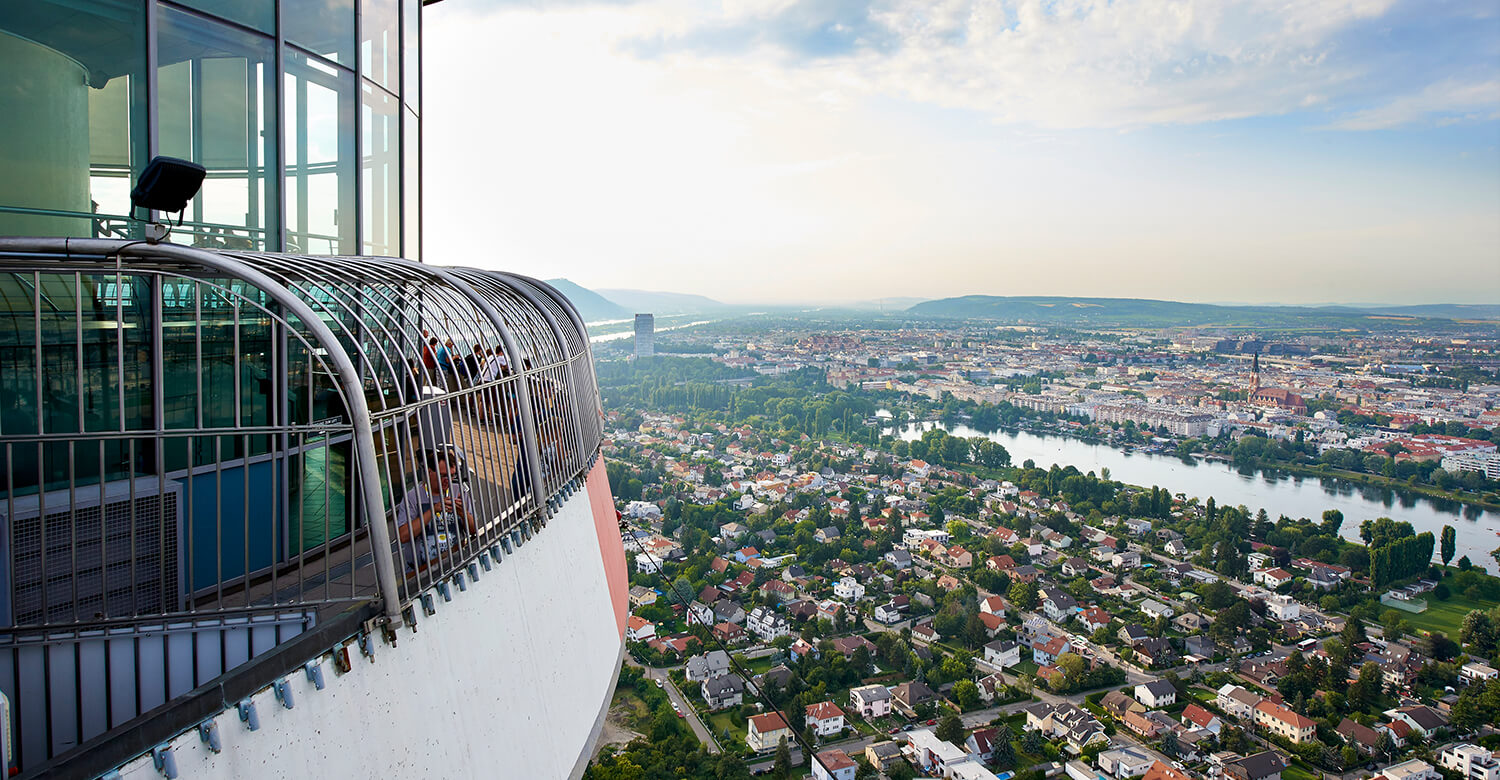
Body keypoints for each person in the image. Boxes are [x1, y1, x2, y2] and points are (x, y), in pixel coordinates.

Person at [395, 449, 477, 572]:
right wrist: (433, 510)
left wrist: (463, 513)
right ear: (429, 472)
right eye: (443, 475)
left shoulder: (458, 491)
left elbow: (473, 530)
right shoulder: (413, 497)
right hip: (422, 571)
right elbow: (404, 536)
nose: (448, 480)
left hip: (455, 564)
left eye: (452, 475)